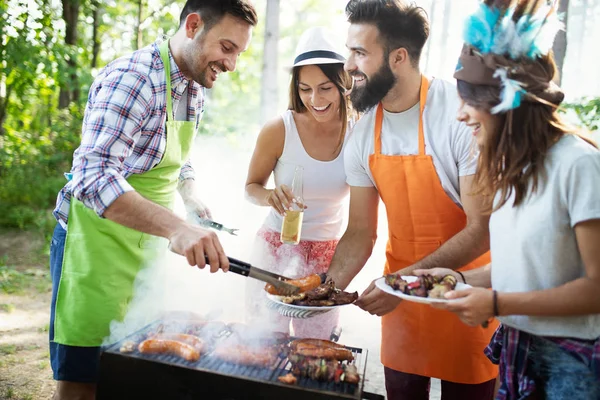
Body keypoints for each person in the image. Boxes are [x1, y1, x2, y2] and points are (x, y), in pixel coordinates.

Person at [49, 1, 257, 398]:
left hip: (145, 252)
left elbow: (175, 155)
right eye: (227, 48)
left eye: (239, 53)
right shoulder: (133, 79)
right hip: (94, 253)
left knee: (134, 373)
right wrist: (177, 227)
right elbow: (92, 177)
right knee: (84, 383)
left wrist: (191, 196)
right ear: (193, 25)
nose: (232, 64)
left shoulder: (193, 86)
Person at [417, 1, 600, 399]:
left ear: (509, 102)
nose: (460, 115)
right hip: (520, 350)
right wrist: (458, 280)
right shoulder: (513, 173)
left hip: (575, 366)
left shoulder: (579, 166)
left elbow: (597, 288)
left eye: (471, 101)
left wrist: (496, 302)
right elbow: (527, 268)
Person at [325, 0, 500, 399]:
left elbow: (482, 229)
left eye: (360, 53)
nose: (349, 65)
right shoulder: (363, 133)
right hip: (400, 303)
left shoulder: (459, 116)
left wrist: (402, 283)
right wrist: (320, 291)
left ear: (399, 58)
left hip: (465, 294)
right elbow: (360, 232)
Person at [244, 27, 354, 339]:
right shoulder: (279, 129)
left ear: (343, 84)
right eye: (305, 89)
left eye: (325, 88)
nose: (314, 100)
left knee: (315, 346)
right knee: (263, 342)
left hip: (327, 256)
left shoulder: (358, 135)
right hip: (275, 249)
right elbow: (251, 187)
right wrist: (269, 197)